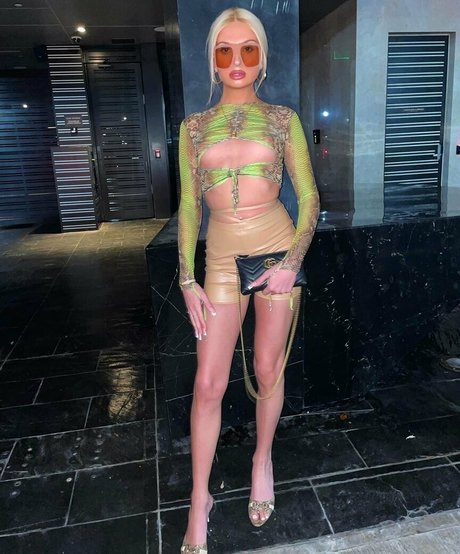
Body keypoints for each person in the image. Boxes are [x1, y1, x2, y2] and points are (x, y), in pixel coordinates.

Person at [177, 7, 320, 553]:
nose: (236, 61)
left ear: (262, 59)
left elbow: (309, 199)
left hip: (276, 251)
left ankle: (262, 462)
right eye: (225, 51)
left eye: (248, 50)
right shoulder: (193, 128)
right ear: (213, 62)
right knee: (208, 384)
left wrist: (291, 262)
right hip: (219, 259)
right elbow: (190, 206)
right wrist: (186, 278)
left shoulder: (283, 119)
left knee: (266, 368)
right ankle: (200, 499)